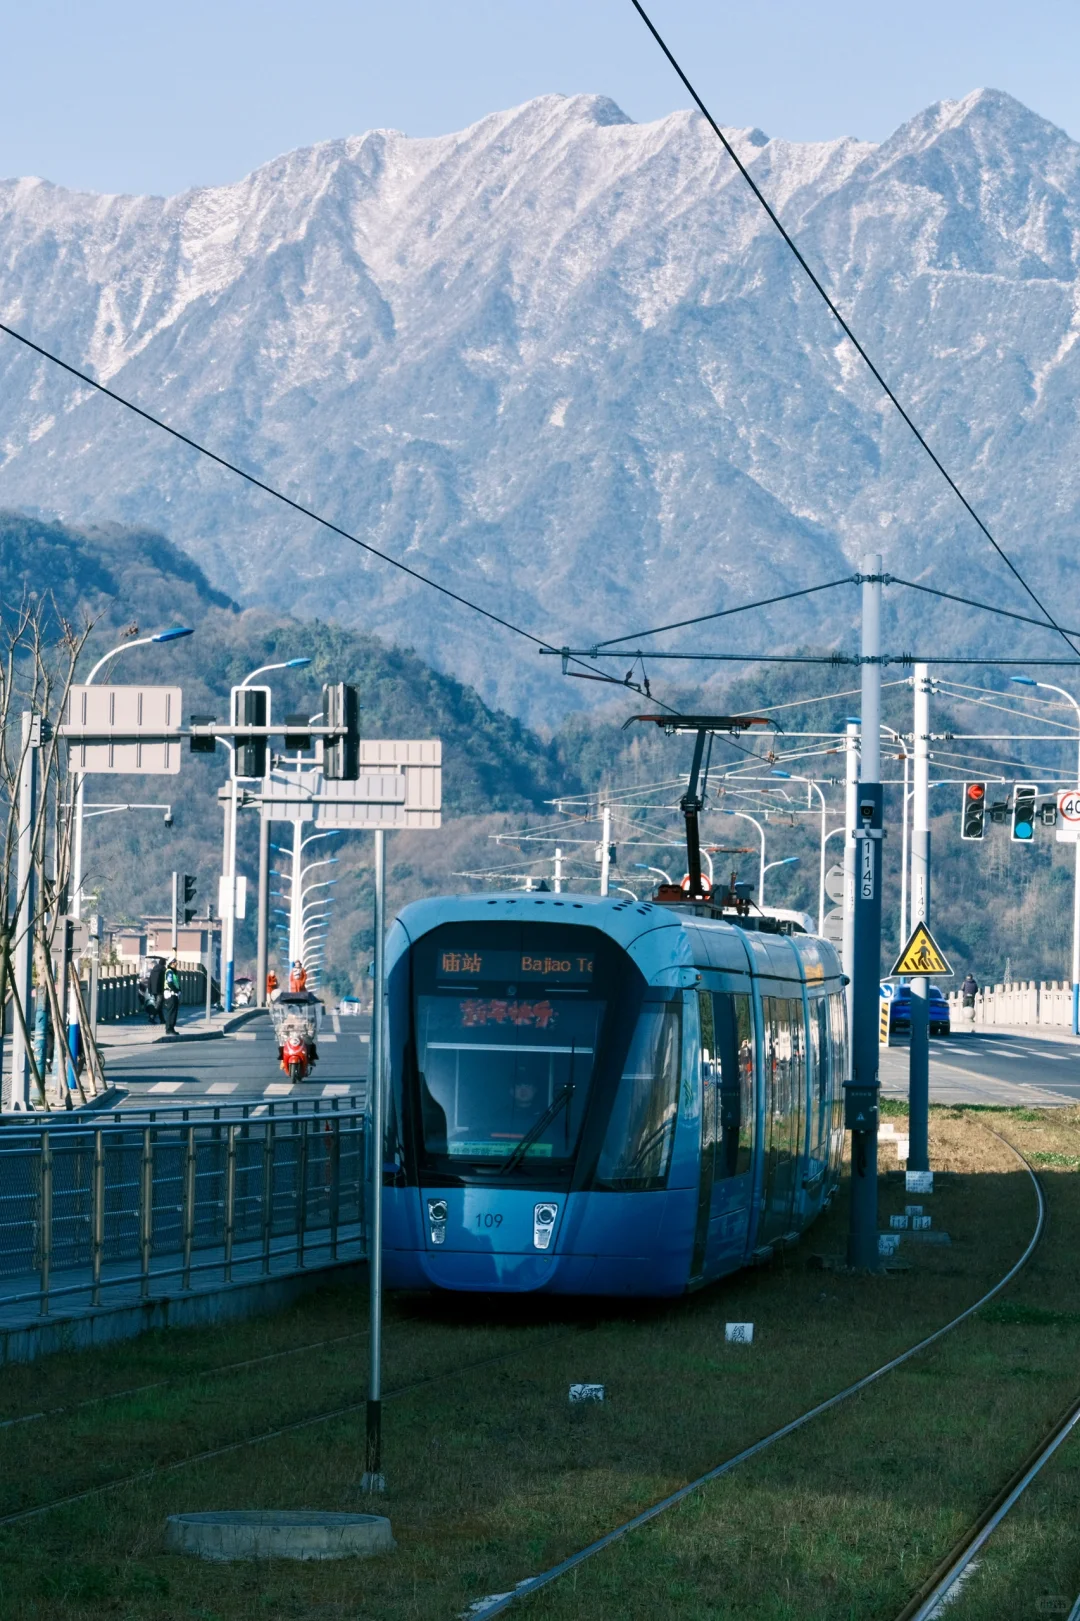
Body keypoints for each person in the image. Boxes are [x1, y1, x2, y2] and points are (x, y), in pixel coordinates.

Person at [163, 958, 181, 1034]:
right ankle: (169, 1029)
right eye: (175, 962)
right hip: (171, 994)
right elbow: (170, 983)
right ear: (172, 963)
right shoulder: (169, 972)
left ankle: (172, 1028)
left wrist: (179, 990)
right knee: (171, 1012)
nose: (176, 963)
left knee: (174, 1012)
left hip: (174, 994)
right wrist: (176, 990)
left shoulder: (173, 972)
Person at [146, 957, 165, 1024]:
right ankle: (152, 1017)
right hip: (160, 990)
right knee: (158, 1005)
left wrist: (149, 989)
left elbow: (149, 980)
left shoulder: (153, 970)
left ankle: (162, 1020)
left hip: (153, 990)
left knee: (159, 1005)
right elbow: (164, 981)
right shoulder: (163, 970)